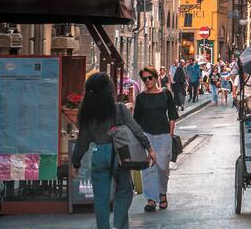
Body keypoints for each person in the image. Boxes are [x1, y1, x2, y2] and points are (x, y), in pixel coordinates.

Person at [71, 73, 156, 229]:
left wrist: (75, 163)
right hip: (119, 154)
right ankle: (118, 224)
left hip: (98, 154)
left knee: (100, 198)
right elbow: (136, 129)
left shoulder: (87, 114)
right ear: (109, 91)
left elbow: (82, 141)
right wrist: (149, 147)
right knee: (125, 191)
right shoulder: (118, 109)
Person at [134, 66, 179, 211]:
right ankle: (152, 199)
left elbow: (172, 114)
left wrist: (170, 133)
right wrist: (140, 139)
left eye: (150, 78)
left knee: (162, 166)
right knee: (148, 168)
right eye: (144, 79)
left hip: (164, 135)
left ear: (155, 77)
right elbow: (136, 120)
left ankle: (162, 193)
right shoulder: (141, 97)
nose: (147, 81)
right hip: (147, 135)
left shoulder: (166, 94)